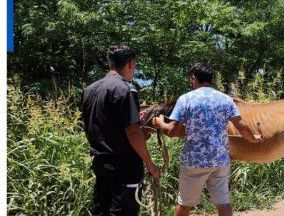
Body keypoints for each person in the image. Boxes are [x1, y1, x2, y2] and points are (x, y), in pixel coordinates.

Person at [149, 64, 262, 216]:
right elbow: (242, 128)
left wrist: (159, 122)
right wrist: (254, 138)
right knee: (224, 203)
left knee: (184, 204)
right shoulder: (226, 99)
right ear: (211, 80)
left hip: (194, 162)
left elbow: (172, 131)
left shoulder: (186, 99)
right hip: (220, 160)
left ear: (194, 78)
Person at [81, 46, 161, 216]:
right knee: (123, 211)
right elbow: (133, 132)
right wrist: (150, 164)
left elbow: (101, 121)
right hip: (124, 164)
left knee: (102, 210)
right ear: (130, 63)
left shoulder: (89, 90)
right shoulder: (125, 89)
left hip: (100, 161)